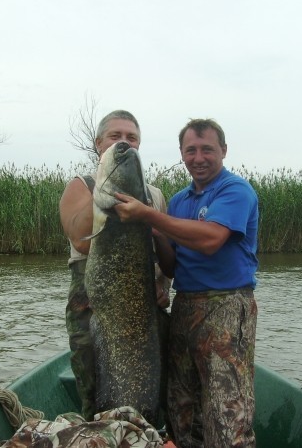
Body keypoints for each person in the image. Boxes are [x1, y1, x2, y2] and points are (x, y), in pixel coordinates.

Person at [113, 118, 259, 447]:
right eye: (190, 150)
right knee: (182, 404)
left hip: (226, 305)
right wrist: (157, 234)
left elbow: (211, 240)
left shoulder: (235, 190)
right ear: (181, 154)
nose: (199, 157)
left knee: (227, 408)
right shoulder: (179, 201)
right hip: (185, 305)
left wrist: (150, 215)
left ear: (223, 150)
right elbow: (172, 266)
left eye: (207, 149)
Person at [59, 109, 171, 422]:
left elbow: (163, 251)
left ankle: (142, 433)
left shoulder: (156, 196)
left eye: (131, 138)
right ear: (98, 144)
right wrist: (103, 198)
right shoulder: (81, 187)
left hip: (141, 303)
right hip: (92, 301)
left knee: (147, 384)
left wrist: (163, 286)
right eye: (115, 136)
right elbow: (82, 241)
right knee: (95, 389)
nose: (124, 143)